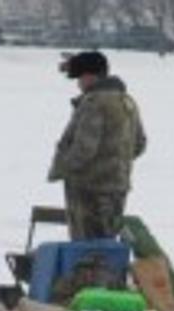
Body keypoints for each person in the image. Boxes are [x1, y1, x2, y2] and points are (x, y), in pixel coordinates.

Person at [48, 51, 146, 240]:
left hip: (89, 190)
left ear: (90, 76)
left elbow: (84, 148)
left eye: (80, 77)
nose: (78, 84)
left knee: (87, 247)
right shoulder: (126, 101)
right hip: (118, 187)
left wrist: (65, 168)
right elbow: (139, 143)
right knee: (106, 244)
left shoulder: (94, 103)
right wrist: (114, 161)